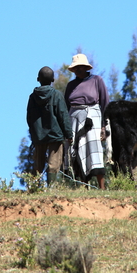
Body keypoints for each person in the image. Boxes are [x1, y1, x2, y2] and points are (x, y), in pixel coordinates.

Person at [64, 54, 109, 189]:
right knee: (76, 152)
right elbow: (66, 107)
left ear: (85, 67)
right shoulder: (71, 85)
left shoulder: (97, 80)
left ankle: (101, 187)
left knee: (94, 151)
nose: (77, 70)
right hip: (74, 119)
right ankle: (83, 186)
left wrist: (104, 127)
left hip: (93, 118)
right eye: (75, 68)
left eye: (80, 67)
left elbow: (105, 103)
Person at [26, 66, 73, 186]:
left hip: (39, 136)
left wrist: (34, 134)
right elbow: (63, 116)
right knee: (54, 164)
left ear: (38, 79)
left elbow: (29, 118)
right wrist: (69, 134)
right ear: (53, 80)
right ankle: (51, 188)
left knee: (38, 164)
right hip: (55, 136)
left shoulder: (32, 97)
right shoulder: (56, 95)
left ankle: (34, 188)